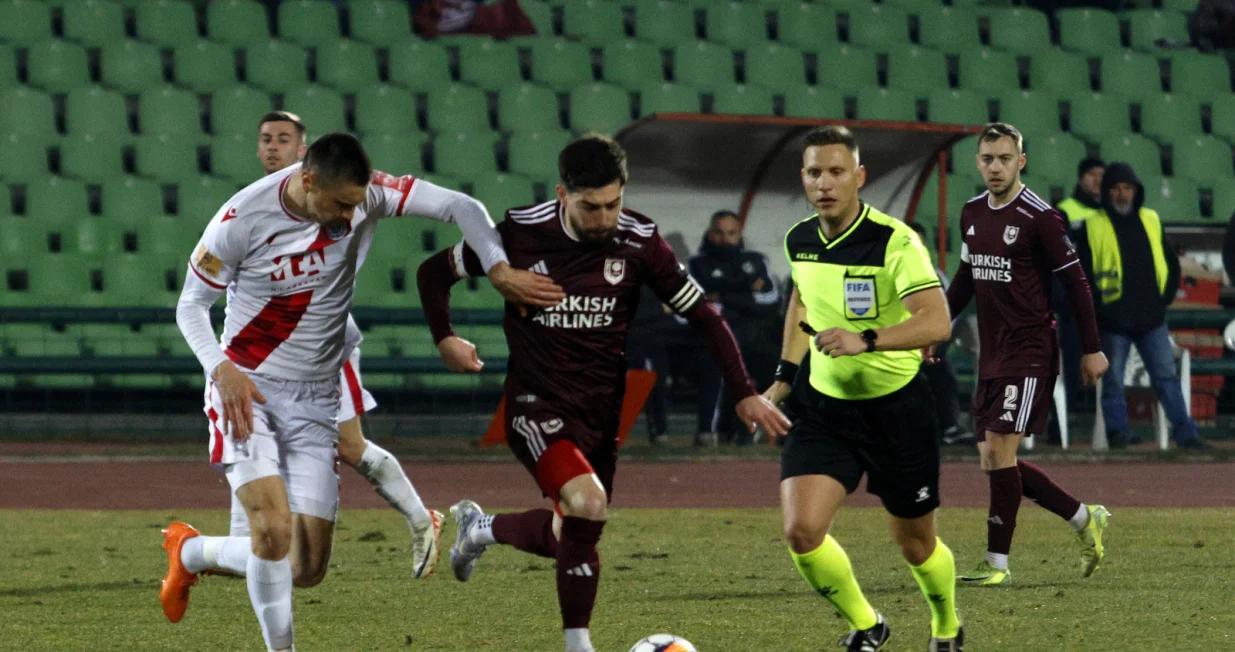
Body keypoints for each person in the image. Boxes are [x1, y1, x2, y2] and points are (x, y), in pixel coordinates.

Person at [160, 132, 561, 651]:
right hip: (248, 388)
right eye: (341, 205)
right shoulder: (240, 219)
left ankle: (189, 553)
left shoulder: (370, 195)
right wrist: (220, 369)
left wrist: (499, 269)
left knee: (305, 568)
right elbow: (191, 305)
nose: (351, 216)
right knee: (272, 530)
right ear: (308, 181)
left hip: (316, 395)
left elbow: (463, 206)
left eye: (357, 204)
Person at [416, 135, 790, 652]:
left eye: (613, 204)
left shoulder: (639, 241)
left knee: (569, 531)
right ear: (562, 194)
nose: (604, 218)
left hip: (601, 409)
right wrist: (446, 338)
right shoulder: (521, 235)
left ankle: (481, 529)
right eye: (591, 207)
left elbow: (704, 316)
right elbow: (433, 273)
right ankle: (579, 645)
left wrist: (744, 391)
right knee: (588, 503)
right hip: (535, 402)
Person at [213, 111, 444, 579]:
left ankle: (423, 519)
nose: (273, 147)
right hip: (266, 354)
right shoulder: (250, 208)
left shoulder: (333, 205)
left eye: (284, 139)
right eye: (266, 139)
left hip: (320, 353)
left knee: (349, 445)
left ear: (304, 153)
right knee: (250, 437)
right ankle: (243, 550)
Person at [763, 125, 962, 652]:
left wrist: (866, 339)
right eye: (814, 173)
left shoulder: (896, 241)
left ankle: (946, 624)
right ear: (803, 179)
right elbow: (802, 301)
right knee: (802, 531)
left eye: (836, 172)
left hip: (898, 411)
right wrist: (784, 377)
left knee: (916, 545)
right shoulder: (799, 240)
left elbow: (937, 321)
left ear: (859, 177)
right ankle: (867, 624)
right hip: (825, 410)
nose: (824, 183)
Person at [945, 123, 1112, 587]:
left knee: (1000, 450)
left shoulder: (1041, 217)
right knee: (992, 458)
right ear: (977, 163)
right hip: (992, 352)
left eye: (1004, 158)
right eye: (987, 159)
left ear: (1021, 161)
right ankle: (1084, 518)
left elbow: (1076, 283)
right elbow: (965, 279)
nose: (995, 167)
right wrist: (937, 328)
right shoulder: (972, 212)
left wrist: (1092, 348)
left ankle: (996, 563)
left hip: (1030, 349)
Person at [1074, 161, 1205, 449]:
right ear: (1106, 192)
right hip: (1113, 321)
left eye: (1127, 188)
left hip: (1151, 319)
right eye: (1116, 188)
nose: (1122, 194)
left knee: (1166, 379)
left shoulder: (1151, 219)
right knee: (1113, 382)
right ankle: (1118, 434)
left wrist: (1163, 300)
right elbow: (1082, 274)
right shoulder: (1092, 225)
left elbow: (1170, 263)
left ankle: (1187, 436)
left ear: (1136, 191)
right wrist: (1101, 312)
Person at [688, 209, 782, 446]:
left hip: (755, 337)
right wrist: (747, 293)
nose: (725, 239)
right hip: (716, 337)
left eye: (731, 233)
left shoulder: (756, 260)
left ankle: (768, 432)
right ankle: (708, 433)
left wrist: (723, 294)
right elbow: (703, 305)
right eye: (719, 233)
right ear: (710, 233)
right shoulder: (697, 264)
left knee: (781, 368)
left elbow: (771, 300)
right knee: (715, 364)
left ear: (740, 233)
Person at [906, 221, 971, 446]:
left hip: (927, 344)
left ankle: (949, 427)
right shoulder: (886, 275)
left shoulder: (936, 276)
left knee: (940, 367)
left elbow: (949, 316)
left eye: (920, 245)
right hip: (893, 345)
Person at [1052, 157, 1105, 424]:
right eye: (1092, 174)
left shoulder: (1109, 212)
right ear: (1081, 178)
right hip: (1074, 303)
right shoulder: (1065, 210)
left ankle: (1105, 422)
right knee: (1072, 360)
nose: (1098, 180)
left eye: (1102, 175)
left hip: (1105, 301)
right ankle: (1062, 420)